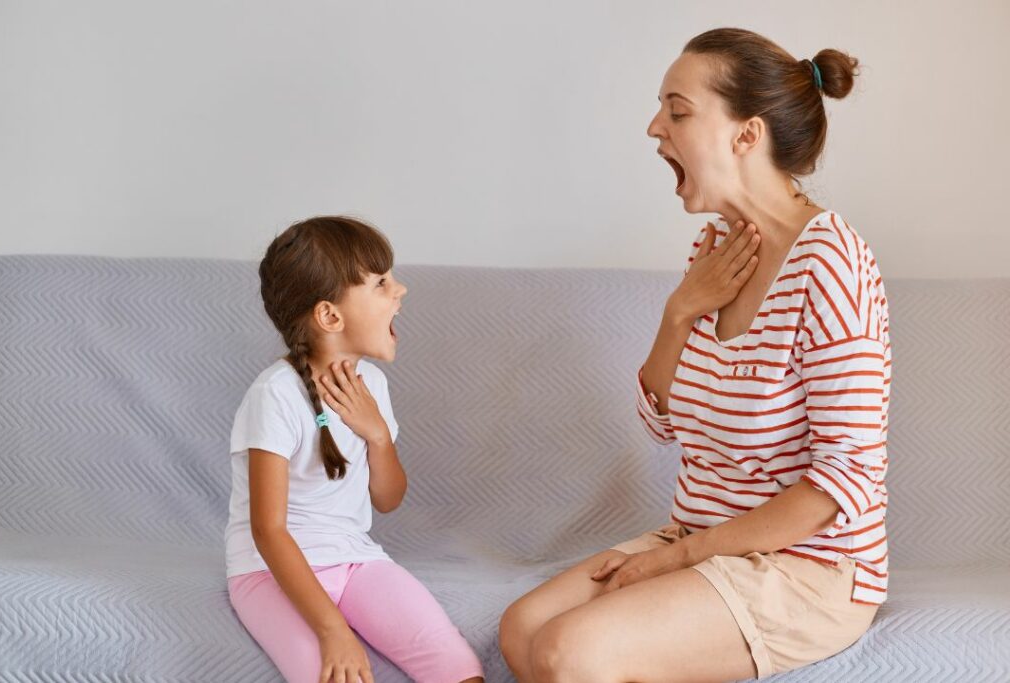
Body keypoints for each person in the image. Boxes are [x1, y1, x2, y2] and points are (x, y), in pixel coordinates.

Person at [500, 28, 889, 682]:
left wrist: (681, 560)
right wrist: (679, 310)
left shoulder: (831, 262)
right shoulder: (714, 248)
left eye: (678, 111)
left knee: (570, 651)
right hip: (701, 540)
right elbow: (663, 425)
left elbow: (840, 481)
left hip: (809, 566)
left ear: (746, 135)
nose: (655, 128)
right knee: (523, 629)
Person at [225, 216, 485, 683]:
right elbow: (268, 530)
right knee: (328, 673)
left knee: (458, 666)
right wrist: (332, 630)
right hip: (268, 572)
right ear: (330, 316)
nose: (400, 290)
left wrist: (378, 436)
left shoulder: (375, 387)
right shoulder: (276, 395)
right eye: (381, 282)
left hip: (355, 560)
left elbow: (386, 500)